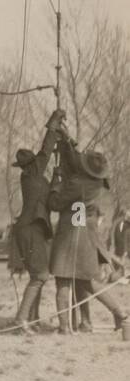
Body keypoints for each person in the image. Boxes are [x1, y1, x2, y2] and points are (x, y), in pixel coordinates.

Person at [48, 124, 125, 334]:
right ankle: (120, 314)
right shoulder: (97, 182)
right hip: (86, 237)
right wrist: (67, 140)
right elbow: (76, 160)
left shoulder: (77, 184)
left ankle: (64, 327)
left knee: (63, 281)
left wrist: (55, 182)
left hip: (71, 238)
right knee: (88, 282)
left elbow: (54, 204)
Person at [9, 112, 62, 333]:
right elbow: (46, 150)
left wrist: (56, 178)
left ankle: (31, 317)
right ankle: (22, 319)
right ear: (31, 164)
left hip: (32, 229)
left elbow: (47, 197)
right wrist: (54, 123)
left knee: (37, 274)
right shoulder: (33, 173)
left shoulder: (33, 178)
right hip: (31, 230)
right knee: (40, 275)